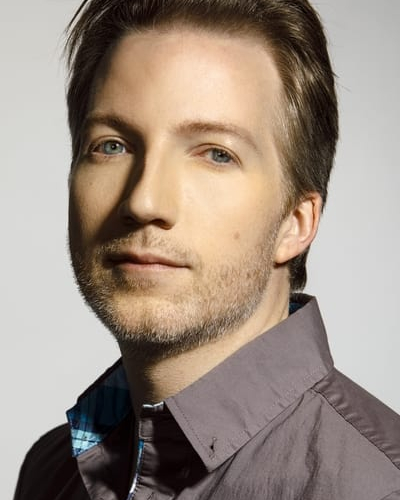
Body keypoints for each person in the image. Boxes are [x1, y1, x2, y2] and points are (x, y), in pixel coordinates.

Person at [13, 0, 400, 498]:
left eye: (216, 154)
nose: (144, 201)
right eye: (112, 145)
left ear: (295, 222)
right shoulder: (49, 471)